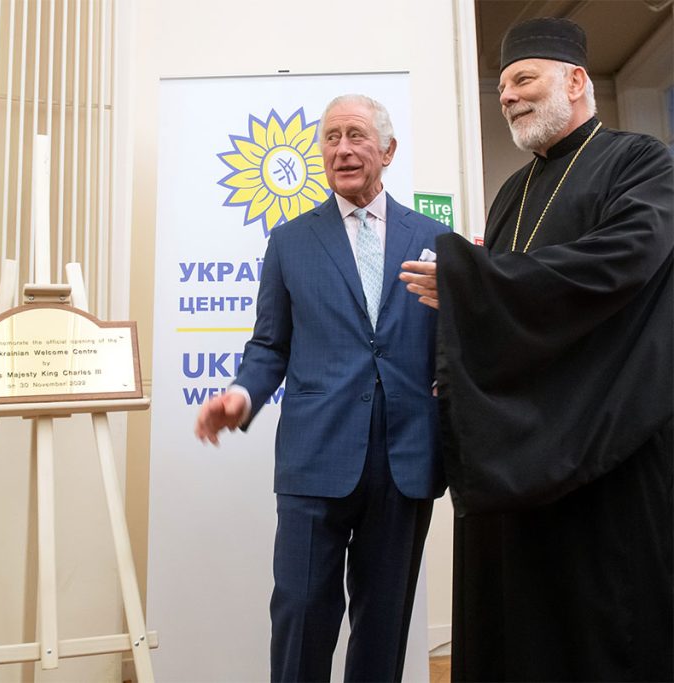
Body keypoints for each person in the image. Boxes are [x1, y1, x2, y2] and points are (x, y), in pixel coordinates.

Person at [400, 17, 673, 682]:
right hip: (518, 443)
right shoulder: (510, 193)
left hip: (609, 439)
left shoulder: (641, 161)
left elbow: (623, 263)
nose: (508, 96)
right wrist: (464, 321)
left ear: (576, 81)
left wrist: (473, 281)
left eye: (523, 79)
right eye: (501, 88)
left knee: (607, 621)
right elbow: (502, 310)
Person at [194, 94, 449, 682]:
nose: (342, 150)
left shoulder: (436, 238)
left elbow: (453, 343)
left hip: (406, 457)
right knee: (302, 612)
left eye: (356, 135)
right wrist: (241, 396)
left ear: (388, 150)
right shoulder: (290, 242)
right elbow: (269, 346)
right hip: (316, 455)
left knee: (384, 622)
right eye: (331, 138)